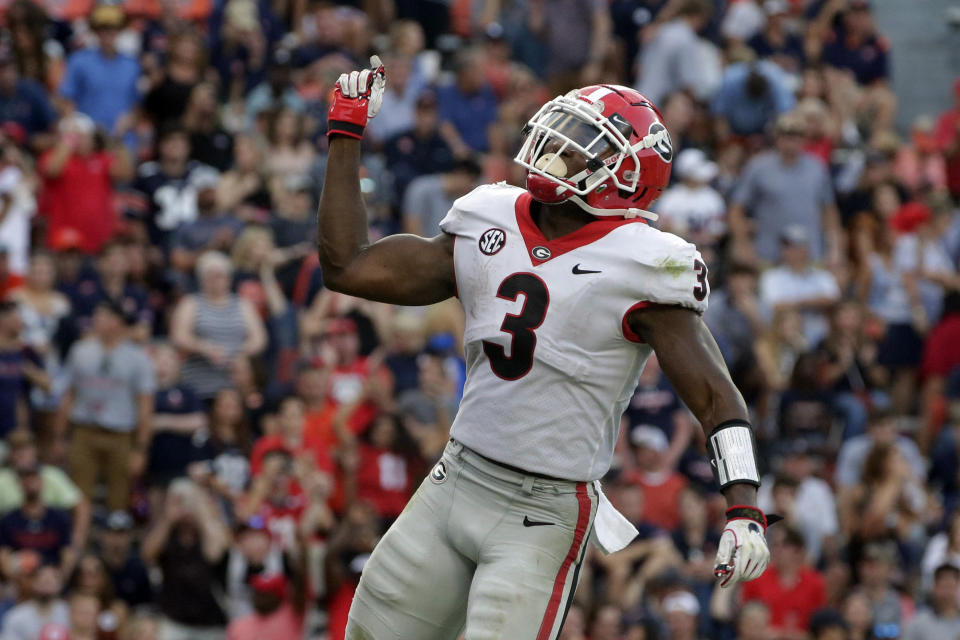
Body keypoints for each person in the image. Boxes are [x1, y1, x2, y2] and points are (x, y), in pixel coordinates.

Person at [320, 57, 772, 639]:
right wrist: (346, 133)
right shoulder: (491, 214)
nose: (560, 149)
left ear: (624, 177)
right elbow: (348, 265)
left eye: (586, 144)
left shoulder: (645, 261)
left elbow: (716, 395)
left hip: (543, 508)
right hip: (455, 477)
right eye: (566, 131)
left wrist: (744, 508)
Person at [53, 300, 156, 510]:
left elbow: (145, 405)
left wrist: (141, 448)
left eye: (103, 316)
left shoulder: (137, 357)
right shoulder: (80, 351)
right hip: (84, 430)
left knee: (120, 493)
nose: (96, 320)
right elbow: (69, 395)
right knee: (77, 493)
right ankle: (79, 538)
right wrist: (60, 436)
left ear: (117, 322)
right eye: (96, 316)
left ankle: (114, 539)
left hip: (121, 433)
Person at [729, 112, 840, 264]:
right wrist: (742, 244)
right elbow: (736, 208)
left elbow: (828, 210)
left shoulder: (817, 168)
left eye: (796, 136)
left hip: (810, 256)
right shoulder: (758, 166)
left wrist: (834, 249)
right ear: (777, 138)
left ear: (803, 139)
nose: (791, 142)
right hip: (768, 255)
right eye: (786, 136)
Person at [58, 5, 140, 134]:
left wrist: (130, 119)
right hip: (90, 140)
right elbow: (67, 99)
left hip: (122, 139)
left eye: (113, 28)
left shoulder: (131, 64)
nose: (108, 33)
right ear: (95, 31)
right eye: (103, 28)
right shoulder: (79, 60)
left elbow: (136, 104)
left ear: (120, 30)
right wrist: (75, 125)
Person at [0, 564, 70, 640]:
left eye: (53, 579)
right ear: (33, 583)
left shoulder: (71, 613)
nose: (47, 582)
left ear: (61, 584)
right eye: (42, 579)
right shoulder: (17, 616)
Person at [903, 563, 960, 640]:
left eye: (951, 587)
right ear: (934, 588)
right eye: (943, 586)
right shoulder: (918, 624)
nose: (947, 593)